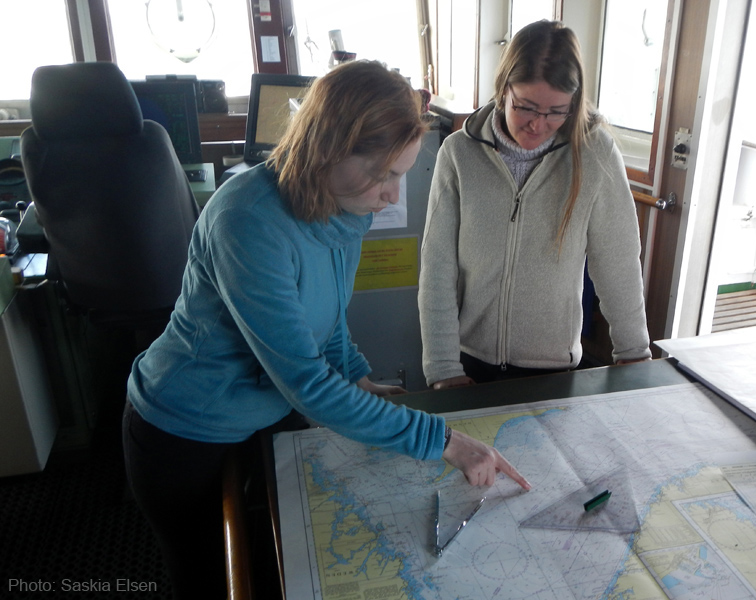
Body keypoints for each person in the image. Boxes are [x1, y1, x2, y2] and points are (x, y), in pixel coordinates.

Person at [122, 60, 530, 599]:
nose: (392, 194)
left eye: (401, 173)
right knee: (207, 579)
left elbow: (328, 317)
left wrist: (357, 376)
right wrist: (447, 443)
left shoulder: (344, 206)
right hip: (185, 429)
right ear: (328, 148)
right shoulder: (247, 220)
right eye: (384, 174)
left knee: (273, 567)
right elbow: (307, 386)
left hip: (262, 419)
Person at [418, 20, 652, 389]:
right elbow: (437, 270)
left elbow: (618, 262)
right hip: (468, 363)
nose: (538, 125)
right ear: (503, 89)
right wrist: (444, 368)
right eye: (525, 107)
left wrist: (634, 351)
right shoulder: (459, 153)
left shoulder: (595, 154)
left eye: (557, 111)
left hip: (553, 366)